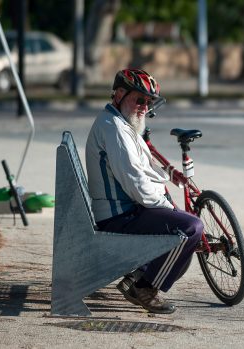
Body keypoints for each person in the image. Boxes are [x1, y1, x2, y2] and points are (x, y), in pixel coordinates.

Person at [85, 68, 204, 314]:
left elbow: (143, 169)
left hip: (124, 210)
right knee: (192, 228)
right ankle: (143, 287)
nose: (144, 106)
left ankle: (140, 277)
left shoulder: (120, 123)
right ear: (118, 94)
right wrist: (168, 206)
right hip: (119, 218)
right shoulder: (115, 130)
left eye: (148, 102)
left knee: (184, 224)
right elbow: (135, 182)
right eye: (139, 99)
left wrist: (166, 181)